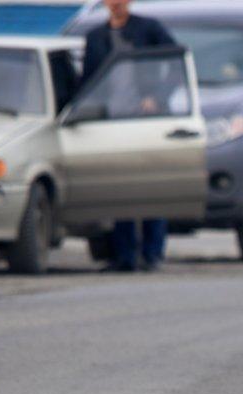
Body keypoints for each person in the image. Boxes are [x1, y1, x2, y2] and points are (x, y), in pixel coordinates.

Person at [83, 0, 176, 272]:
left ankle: (152, 253)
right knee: (119, 188)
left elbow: (175, 62)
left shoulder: (149, 29)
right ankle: (123, 255)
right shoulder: (96, 37)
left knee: (152, 186)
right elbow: (89, 80)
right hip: (112, 122)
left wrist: (156, 98)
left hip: (147, 120)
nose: (116, 3)